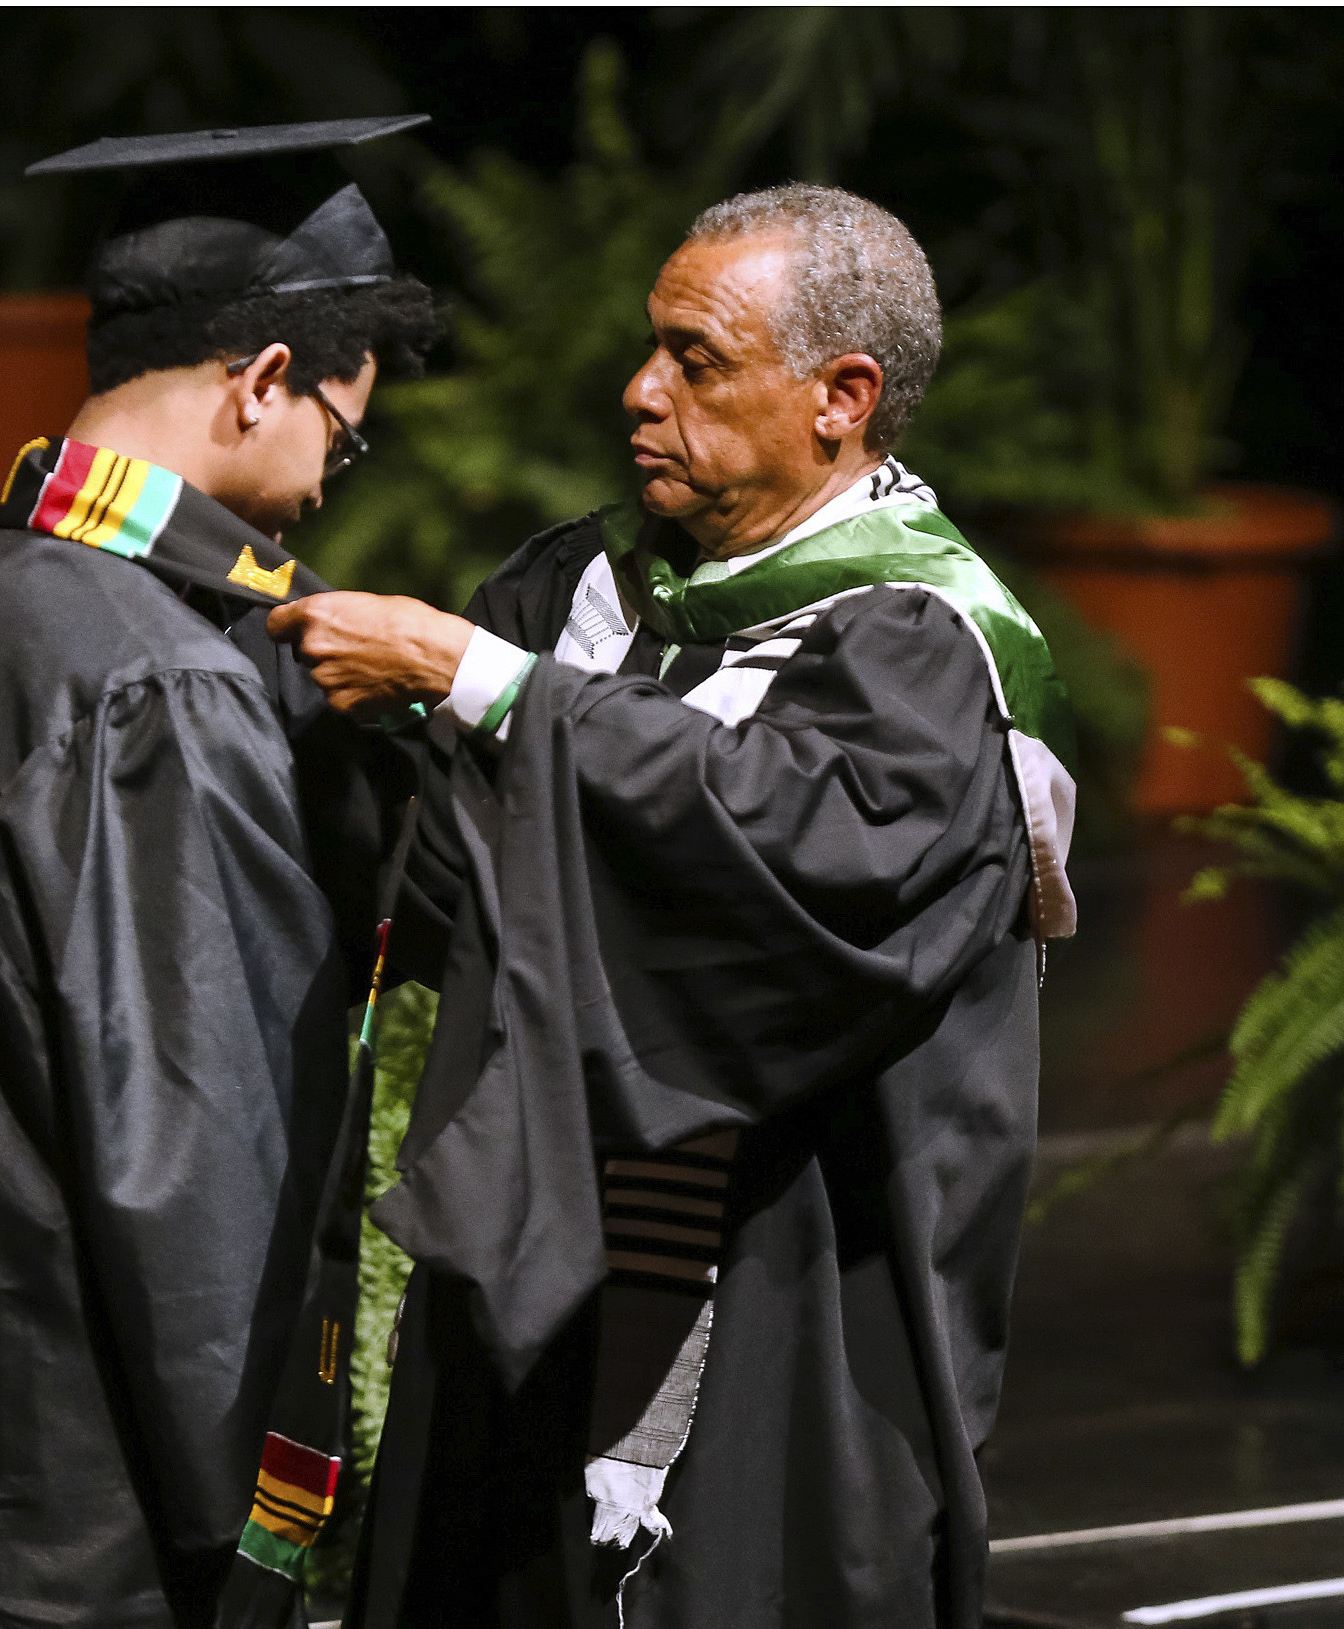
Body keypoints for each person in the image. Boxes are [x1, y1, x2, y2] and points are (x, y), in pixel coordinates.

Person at [270, 184, 1077, 1628]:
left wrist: (492, 689)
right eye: (650, 347)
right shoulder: (585, 586)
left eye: (695, 361)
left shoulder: (922, 648)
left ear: (841, 396)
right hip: (525, 1279)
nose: (640, 391)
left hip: (785, 1295)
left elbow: (792, 869)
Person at [0, 120, 443, 1629]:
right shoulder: (149, 680)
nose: (331, 488)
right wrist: (284, 1524)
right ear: (261, 380)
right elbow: (199, 1164)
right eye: (342, 436)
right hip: (85, 1500)